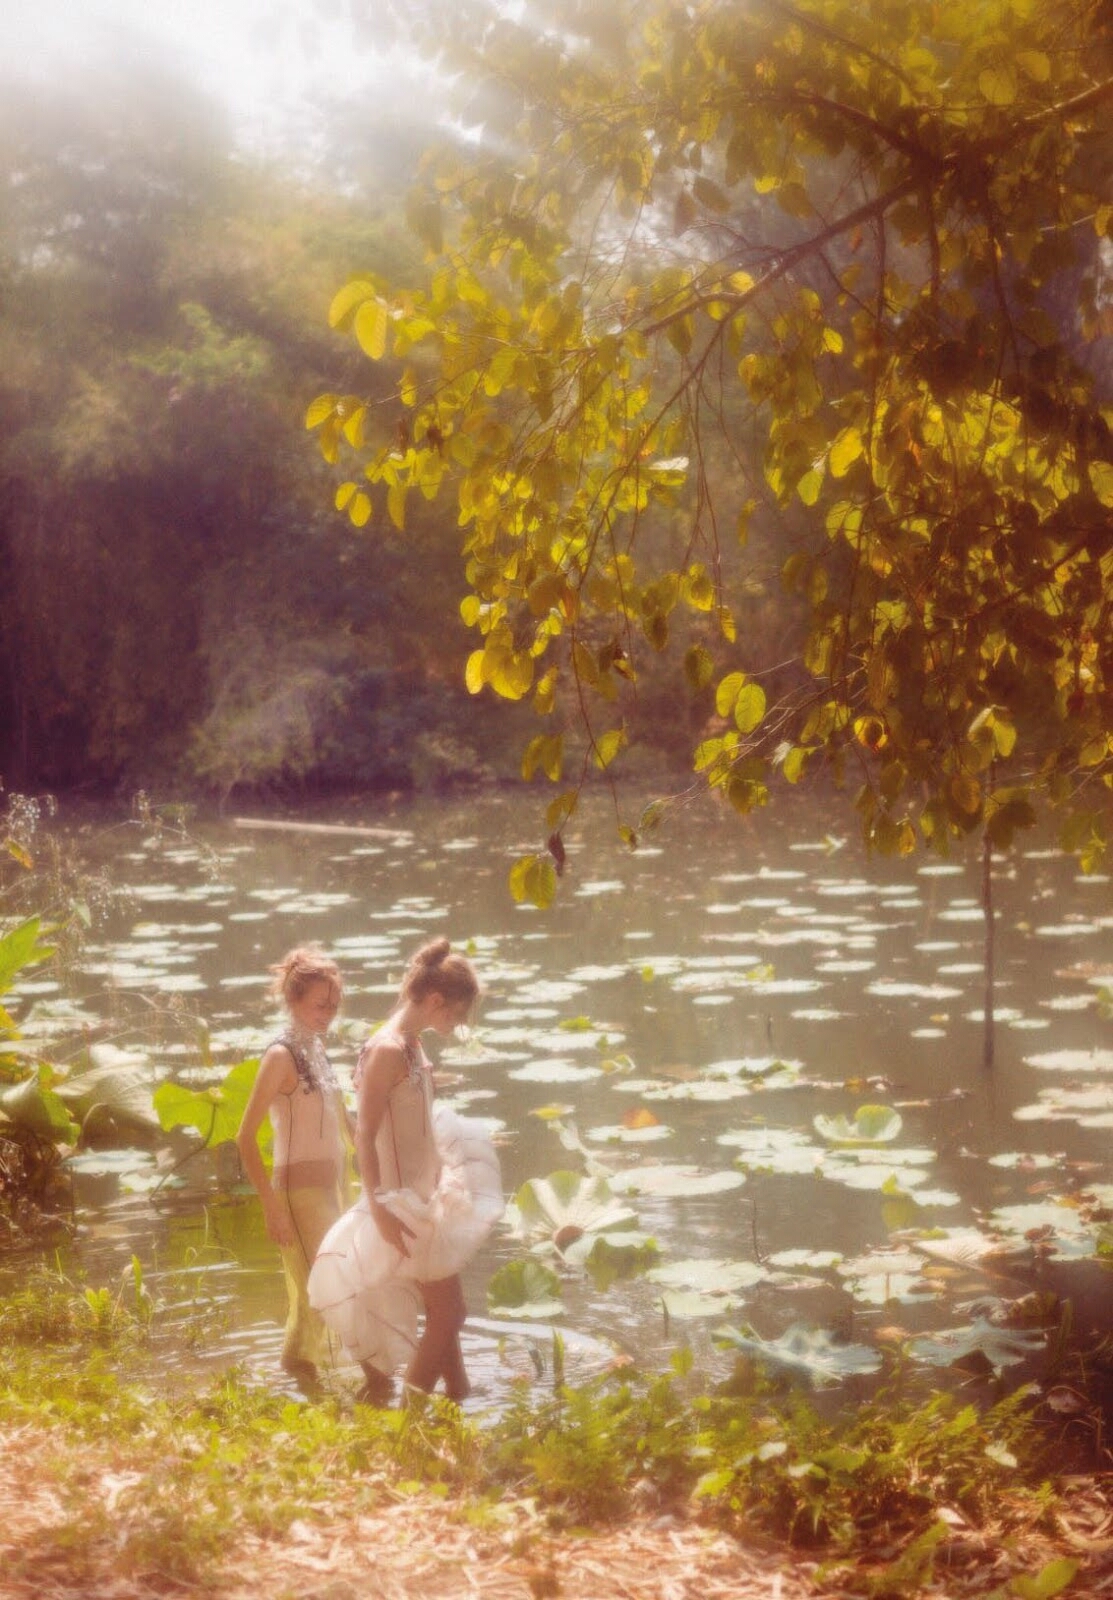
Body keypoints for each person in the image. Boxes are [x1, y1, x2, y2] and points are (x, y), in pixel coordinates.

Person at [308, 938, 503, 1403]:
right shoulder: (387, 1050)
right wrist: (379, 1209)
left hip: (426, 1197)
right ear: (435, 1000)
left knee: (444, 1311)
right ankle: (411, 1417)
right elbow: (364, 1134)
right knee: (450, 1312)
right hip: (400, 1204)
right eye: (456, 1014)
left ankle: (458, 1392)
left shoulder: (413, 1045)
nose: (457, 1025)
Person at [236, 947, 352, 1385]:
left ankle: (311, 1385)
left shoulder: (318, 1051)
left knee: (332, 1288)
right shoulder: (280, 1056)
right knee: (318, 1294)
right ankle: (297, 1381)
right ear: (293, 999)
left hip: (331, 1189)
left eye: (334, 1006)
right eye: (320, 1005)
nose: (328, 1014)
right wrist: (272, 1208)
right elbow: (245, 1137)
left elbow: (345, 1122)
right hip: (296, 1195)